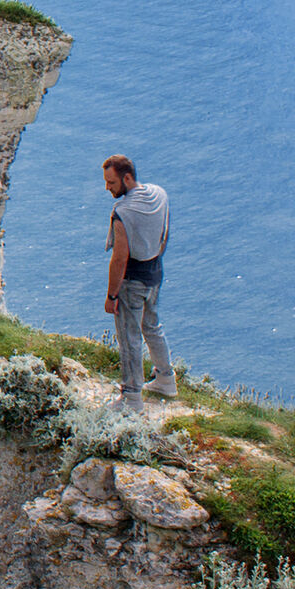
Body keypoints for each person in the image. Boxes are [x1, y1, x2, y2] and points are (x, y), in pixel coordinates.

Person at [102, 154, 177, 411]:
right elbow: (165, 233)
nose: (108, 188)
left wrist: (112, 296)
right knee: (152, 327)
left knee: (129, 336)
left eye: (111, 183)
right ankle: (166, 379)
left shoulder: (122, 212)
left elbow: (120, 256)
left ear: (127, 177)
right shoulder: (159, 194)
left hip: (132, 281)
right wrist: (154, 260)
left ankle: (132, 397)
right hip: (155, 272)